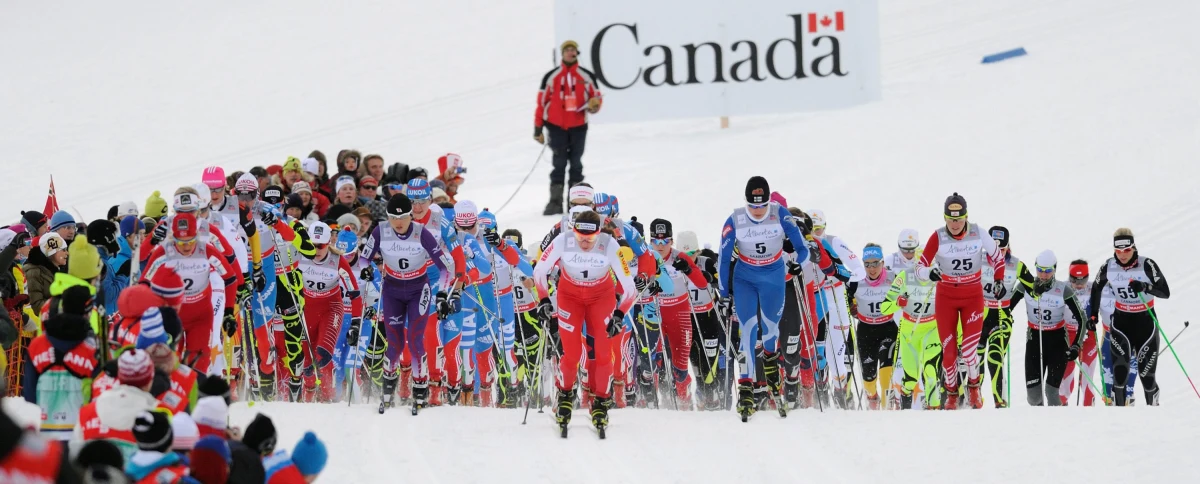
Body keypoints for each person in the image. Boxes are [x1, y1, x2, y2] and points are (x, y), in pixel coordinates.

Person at [717, 176, 814, 420]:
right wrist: (724, 294)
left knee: (771, 331)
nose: (758, 211)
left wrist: (796, 266)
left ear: (769, 202)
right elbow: (723, 258)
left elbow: (803, 249)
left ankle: (771, 362)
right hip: (745, 278)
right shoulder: (735, 219)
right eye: (753, 206)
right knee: (749, 331)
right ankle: (746, 386)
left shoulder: (780, 214)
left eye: (762, 206)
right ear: (746, 202)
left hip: (773, 277)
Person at [533, 210, 635, 435]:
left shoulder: (609, 245)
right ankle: (565, 394)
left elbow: (630, 287)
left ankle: (600, 400)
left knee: (602, 352)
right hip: (570, 297)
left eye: (590, 238)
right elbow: (540, 270)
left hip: (601, 297)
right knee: (571, 353)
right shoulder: (563, 240)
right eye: (580, 237)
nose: (585, 243)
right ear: (573, 232)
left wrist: (620, 314)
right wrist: (542, 299)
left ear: (599, 233)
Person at [359, 194, 461, 413]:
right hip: (392, 289)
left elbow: (444, 267)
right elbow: (364, 258)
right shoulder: (380, 231)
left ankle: (420, 388)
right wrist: (368, 270)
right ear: (387, 217)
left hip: (418, 289)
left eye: (404, 218)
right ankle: (388, 390)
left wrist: (442, 293)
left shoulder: (421, 233)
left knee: (416, 341)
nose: (399, 223)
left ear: (410, 216)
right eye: (394, 218)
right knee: (394, 343)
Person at [913, 193, 1005, 409]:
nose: (954, 224)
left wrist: (999, 280)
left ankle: (974, 387)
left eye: (959, 219)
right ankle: (952, 392)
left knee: (970, 349)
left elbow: (998, 258)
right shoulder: (937, 237)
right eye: (950, 219)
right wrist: (930, 273)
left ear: (966, 217)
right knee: (950, 352)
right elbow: (919, 268)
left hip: (972, 296)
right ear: (944, 218)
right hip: (946, 298)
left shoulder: (978, 232)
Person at [141, 212, 239, 373]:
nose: (186, 247)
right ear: (173, 238)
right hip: (171, 317)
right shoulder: (163, 252)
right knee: (169, 364)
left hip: (200, 316)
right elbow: (144, 281)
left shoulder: (206, 250)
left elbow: (230, 278)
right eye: (180, 242)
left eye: (191, 241)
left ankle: (197, 395)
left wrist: (228, 311)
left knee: (199, 364)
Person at [1086, 228, 1169, 406]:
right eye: (1118, 251)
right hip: (1121, 324)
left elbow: (1165, 291)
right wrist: (1093, 315)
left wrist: (1146, 287)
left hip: (1145, 325)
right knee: (1120, 375)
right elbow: (1096, 288)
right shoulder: (1108, 266)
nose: (1122, 255)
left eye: (1126, 250)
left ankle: (1153, 408)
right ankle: (1120, 419)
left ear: (1133, 247)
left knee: (1146, 377)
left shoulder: (1147, 264)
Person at [22, 284, 98, 441]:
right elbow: (98, 393)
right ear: (88, 311)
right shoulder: (93, 348)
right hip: (80, 433)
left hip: (44, 433)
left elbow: (29, 392)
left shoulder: (38, 345)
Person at [535, 40, 603, 215]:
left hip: (578, 126)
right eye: (567, 50)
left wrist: (595, 105)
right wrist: (538, 128)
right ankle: (555, 202)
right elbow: (541, 103)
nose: (570, 53)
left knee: (576, 164)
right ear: (562, 53)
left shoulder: (585, 75)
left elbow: (596, 96)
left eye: (573, 50)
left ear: (577, 53)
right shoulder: (552, 76)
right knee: (558, 163)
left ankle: (576, 204)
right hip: (556, 127)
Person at [648, 218, 709, 408]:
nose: (660, 245)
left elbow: (702, 284)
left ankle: (684, 401)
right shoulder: (646, 257)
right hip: (655, 313)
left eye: (664, 241)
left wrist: (689, 268)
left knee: (680, 367)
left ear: (671, 241)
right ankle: (656, 402)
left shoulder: (679, 256)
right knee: (654, 363)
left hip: (679, 314)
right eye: (656, 241)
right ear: (650, 241)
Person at [297, 221, 362, 402]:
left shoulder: (337, 261)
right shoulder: (299, 256)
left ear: (328, 244)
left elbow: (355, 293)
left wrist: (356, 323)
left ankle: (328, 397)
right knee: (306, 359)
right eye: (313, 245)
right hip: (307, 308)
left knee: (323, 354)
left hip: (331, 308)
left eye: (321, 245)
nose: (317, 250)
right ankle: (308, 395)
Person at [1013, 250, 1087, 406]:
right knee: (1034, 397)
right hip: (1034, 339)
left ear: (1054, 269)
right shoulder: (1025, 286)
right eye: (1040, 270)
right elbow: (1006, 308)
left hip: (1057, 341)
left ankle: (1056, 426)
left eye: (1048, 271)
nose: (1043, 275)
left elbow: (1082, 318)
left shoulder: (1063, 289)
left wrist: (1076, 346)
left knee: (1051, 392)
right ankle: (1038, 427)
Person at [976, 226, 1030, 408]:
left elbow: (1033, 288)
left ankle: (1000, 401)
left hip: (1001, 317)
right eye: (994, 249)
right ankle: (974, 400)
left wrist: (1012, 298)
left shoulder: (1016, 264)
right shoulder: (978, 259)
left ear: (1008, 247)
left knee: (994, 355)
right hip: (979, 316)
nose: (998, 254)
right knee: (976, 359)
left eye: (1003, 249)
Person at [851, 244, 897, 410]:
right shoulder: (856, 280)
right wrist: (850, 305)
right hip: (865, 330)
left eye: (875, 263)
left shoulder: (893, 277)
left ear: (882, 262)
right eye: (867, 264)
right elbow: (844, 298)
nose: (872, 269)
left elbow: (909, 291)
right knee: (869, 378)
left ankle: (886, 409)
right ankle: (872, 398)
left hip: (888, 329)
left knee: (886, 375)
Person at [25, 232, 68, 315]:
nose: (67, 253)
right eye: (63, 250)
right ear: (52, 252)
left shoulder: (56, 269)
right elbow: (36, 306)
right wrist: (65, 306)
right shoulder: (34, 272)